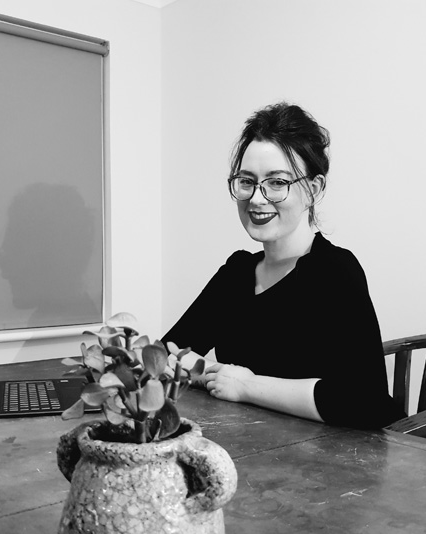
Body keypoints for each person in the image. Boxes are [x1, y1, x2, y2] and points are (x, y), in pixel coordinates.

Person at [162, 102, 406, 429]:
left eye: (277, 183)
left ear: (313, 189)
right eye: (247, 181)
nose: (258, 198)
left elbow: (365, 401)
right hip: (254, 450)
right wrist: (218, 377)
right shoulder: (237, 273)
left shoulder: (336, 272)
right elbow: (166, 352)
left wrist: (247, 386)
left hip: (330, 464)